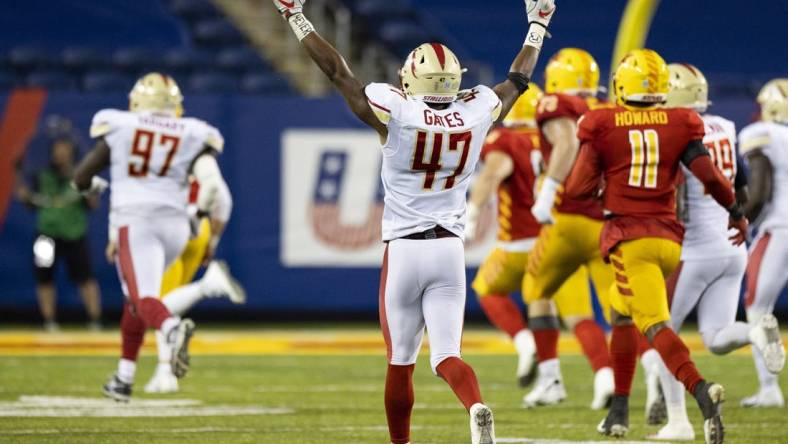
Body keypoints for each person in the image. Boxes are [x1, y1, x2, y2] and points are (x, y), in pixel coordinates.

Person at [272, 0, 556, 442]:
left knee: (400, 361)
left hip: (404, 250)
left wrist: (295, 15)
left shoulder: (396, 111)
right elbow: (517, 82)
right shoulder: (476, 109)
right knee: (446, 356)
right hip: (449, 250)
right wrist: (537, 26)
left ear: (411, 78)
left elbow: (338, 72)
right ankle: (475, 405)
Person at [565, 48, 747, 444]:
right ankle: (618, 410)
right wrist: (735, 210)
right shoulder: (680, 121)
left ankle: (701, 391)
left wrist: (604, 188)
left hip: (632, 242)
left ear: (621, 85)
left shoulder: (602, 122)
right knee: (620, 310)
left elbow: (576, 188)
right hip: (669, 243)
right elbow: (710, 177)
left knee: (655, 324)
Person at [73, 72, 230, 402]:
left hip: (138, 223)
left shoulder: (119, 125)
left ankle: (171, 329)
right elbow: (213, 187)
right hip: (176, 228)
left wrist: (89, 187)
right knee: (136, 301)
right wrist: (197, 217)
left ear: (136, 102)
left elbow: (82, 175)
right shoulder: (192, 132)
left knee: (143, 299)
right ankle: (123, 377)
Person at [650, 63, 785, 440]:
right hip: (732, 245)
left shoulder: (676, 129)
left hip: (695, 248)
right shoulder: (726, 126)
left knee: (664, 333)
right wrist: (738, 218)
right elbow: (740, 182)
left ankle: (678, 421)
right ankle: (757, 332)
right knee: (716, 336)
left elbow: (676, 196)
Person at [465, 84, 612, 411]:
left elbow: (491, 175)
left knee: (488, 289)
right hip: (556, 236)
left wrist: (471, 215)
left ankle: (526, 344)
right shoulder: (561, 134)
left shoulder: (506, 141)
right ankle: (603, 374)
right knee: (578, 316)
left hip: (517, 245)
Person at [517, 48, 615, 409]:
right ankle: (635, 380)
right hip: (607, 223)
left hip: (568, 221)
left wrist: (547, 193)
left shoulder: (554, 104)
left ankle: (552, 379)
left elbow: (566, 144)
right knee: (624, 312)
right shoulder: (605, 111)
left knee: (538, 292)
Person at [144, 179, 245, 394]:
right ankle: (166, 374)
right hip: (200, 227)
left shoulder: (164, 153)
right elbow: (223, 200)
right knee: (173, 304)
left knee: (159, 306)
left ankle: (207, 286)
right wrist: (213, 240)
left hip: (169, 223)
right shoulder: (199, 155)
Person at [16, 118, 103, 331]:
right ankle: (49, 321)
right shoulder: (41, 175)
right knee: (44, 278)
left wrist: (90, 191)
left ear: (71, 150)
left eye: (64, 148)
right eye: (57, 148)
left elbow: (93, 205)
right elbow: (31, 203)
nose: (61, 153)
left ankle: (95, 320)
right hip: (46, 234)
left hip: (75, 233)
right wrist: (24, 195)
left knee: (86, 278)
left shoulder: (81, 174)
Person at [738, 78, 788, 408]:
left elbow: (760, 187)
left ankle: (769, 388)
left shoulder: (764, 135)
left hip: (779, 228)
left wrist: (741, 216)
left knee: (757, 308)